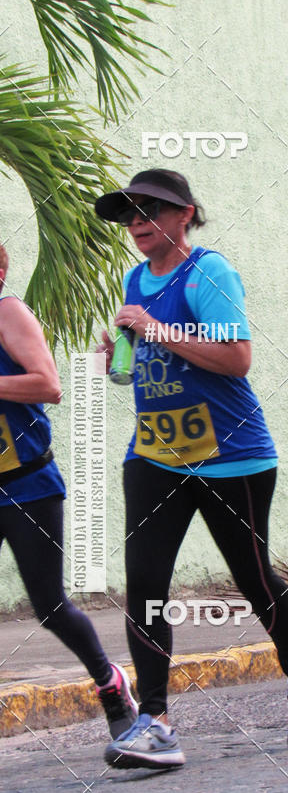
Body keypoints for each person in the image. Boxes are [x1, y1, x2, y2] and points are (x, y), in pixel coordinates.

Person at [94, 168, 288, 770]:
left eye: (150, 211)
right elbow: (158, 352)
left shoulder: (208, 272)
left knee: (253, 580)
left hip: (233, 457)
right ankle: (156, 722)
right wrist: (123, 344)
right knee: (144, 585)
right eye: (130, 214)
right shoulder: (134, 278)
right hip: (155, 454)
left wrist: (156, 330)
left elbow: (236, 358)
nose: (137, 224)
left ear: (185, 215)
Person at [0, 243, 137, 739]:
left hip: (27, 485)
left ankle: (110, 683)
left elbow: (48, 384)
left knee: (48, 604)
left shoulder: (8, 312)